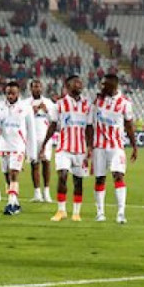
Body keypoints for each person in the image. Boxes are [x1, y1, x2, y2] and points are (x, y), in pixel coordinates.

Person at [41, 75, 93, 222]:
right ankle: (61, 210)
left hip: (80, 150)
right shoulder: (59, 105)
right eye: (76, 83)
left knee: (78, 181)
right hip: (63, 148)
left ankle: (76, 212)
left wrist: (90, 147)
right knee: (62, 176)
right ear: (68, 86)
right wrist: (44, 144)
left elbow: (89, 127)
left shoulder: (87, 105)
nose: (79, 85)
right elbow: (53, 125)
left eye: (80, 83)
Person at [0, 82, 37, 215]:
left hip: (18, 146)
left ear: (18, 93)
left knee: (14, 173)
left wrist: (31, 153)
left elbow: (31, 131)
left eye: (13, 93)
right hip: (4, 146)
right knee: (7, 176)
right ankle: (16, 203)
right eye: (8, 93)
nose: (10, 96)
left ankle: (10, 204)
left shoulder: (26, 108)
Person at [92, 74, 138, 224]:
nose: (102, 87)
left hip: (116, 146)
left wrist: (134, 146)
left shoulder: (125, 103)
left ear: (113, 85)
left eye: (105, 84)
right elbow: (90, 123)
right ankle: (100, 212)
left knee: (118, 175)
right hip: (99, 146)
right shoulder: (98, 100)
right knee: (100, 178)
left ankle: (121, 213)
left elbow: (129, 126)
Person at [22, 79, 55, 202]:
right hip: (31, 137)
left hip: (45, 136)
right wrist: (32, 111)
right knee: (34, 164)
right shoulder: (25, 103)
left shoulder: (48, 102)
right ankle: (37, 193)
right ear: (30, 89)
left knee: (46, 163)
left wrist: (46, 111)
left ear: (42, 88)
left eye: (39, 86)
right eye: (35, 87)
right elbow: (21, 119)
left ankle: (46, 192)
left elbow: (54, 120)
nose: (37, 89)